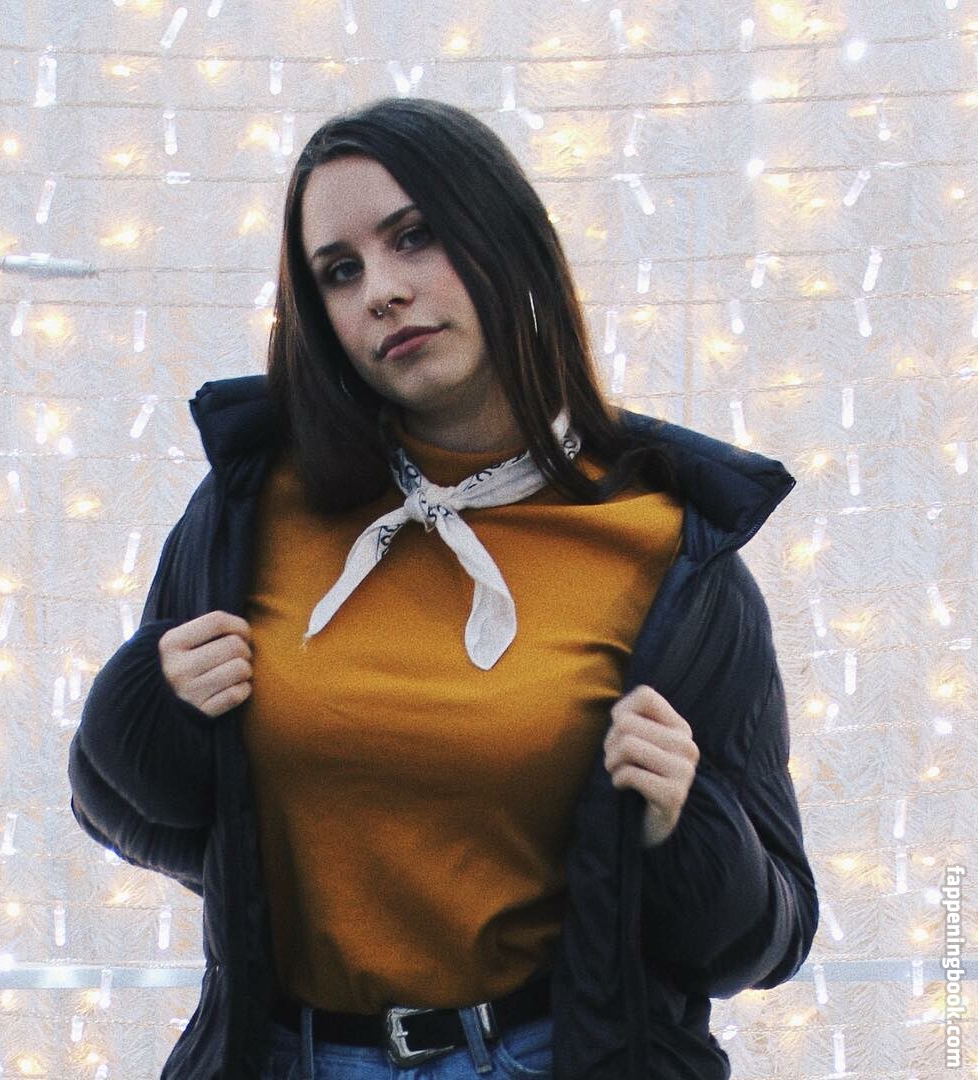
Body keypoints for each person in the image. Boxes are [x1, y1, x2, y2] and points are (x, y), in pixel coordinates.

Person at [67, 96, 818, 1080]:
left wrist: (685, 827)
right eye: (340, 271)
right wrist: (148, 707)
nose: (382, 290)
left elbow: (772, 937)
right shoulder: (251, 510)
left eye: (414, 236)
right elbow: (122, 813)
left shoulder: (669, 545)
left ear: (508, 241)